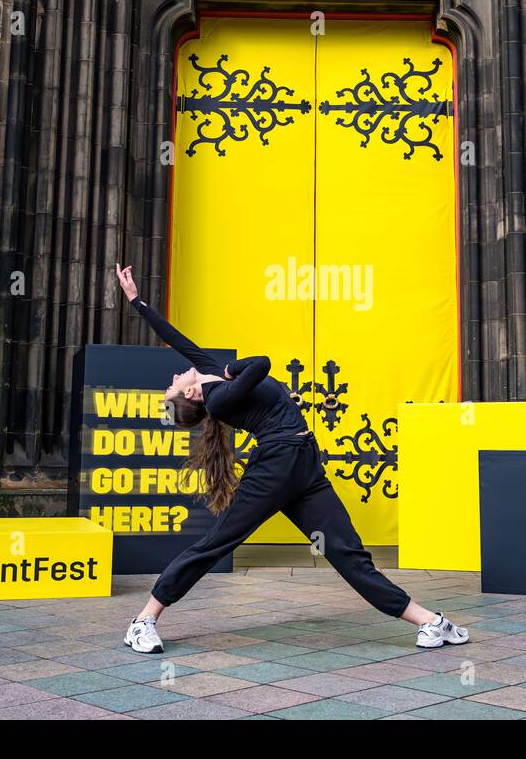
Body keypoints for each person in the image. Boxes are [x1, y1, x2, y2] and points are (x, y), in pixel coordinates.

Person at [114, 263, 469, 654]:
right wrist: (232, 369)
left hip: (303, 465)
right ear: (192, 395)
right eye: (172, 387)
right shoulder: (219, 396)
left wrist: (136, 301)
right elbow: (262, 363)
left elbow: (175, 339)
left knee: (346, 551)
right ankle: (144, 620)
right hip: (275, 466)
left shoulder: (210, 375)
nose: (173, 379)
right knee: (217, 543)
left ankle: (431, 623)